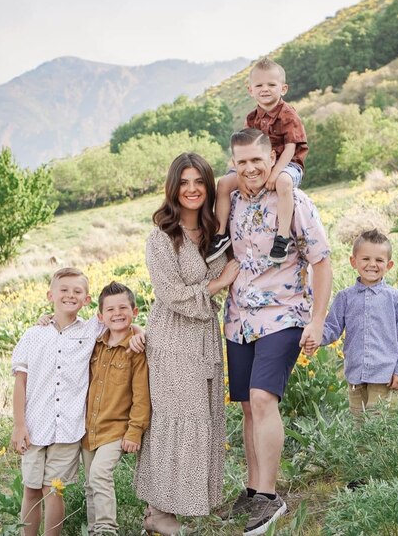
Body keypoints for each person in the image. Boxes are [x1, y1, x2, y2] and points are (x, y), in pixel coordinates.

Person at [223, 128, 331, 536]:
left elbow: (321, 261)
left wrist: (317, 320)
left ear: (271, 159)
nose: (250, 168)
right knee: (249, 407)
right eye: (242, 161)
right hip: (238, 320)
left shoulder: (294, 200)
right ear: (233, 163)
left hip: (285, 315)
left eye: (257, 160)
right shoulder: (230, 203)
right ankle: (252, 489)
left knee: (264, 399)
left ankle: (270, 499)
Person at [133, 152, 240, 535]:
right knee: (174, 420)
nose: (192, 189)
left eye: (199, 182)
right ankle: (159, 512)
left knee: (202, 419)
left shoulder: (216, 231)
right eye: (184, 182)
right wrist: (216, 283)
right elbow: (171, 294)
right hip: (173, 337)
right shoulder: (161, 237)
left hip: (206, 337)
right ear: (173, 187)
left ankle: (176, 507)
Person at [10, 268, 97, 536]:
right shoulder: (33, 334)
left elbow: (122, 319)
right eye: (64, 290)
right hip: (35, 426)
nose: (70, 295)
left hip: (68, 428)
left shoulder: (92, 329)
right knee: (32, 488)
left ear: (87, 299)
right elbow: (20, 383)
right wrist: (19, 425)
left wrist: (138, 330)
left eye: (77, 291)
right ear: (51, 295)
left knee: (53, 490)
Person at [208, 58, 308, 265]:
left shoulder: (288, 114)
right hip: (256, 165)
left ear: (283, 88)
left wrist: (275, 172)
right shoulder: (252, 117)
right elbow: (243, 148)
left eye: (272, 85)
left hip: (287, 164)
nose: (265, 89)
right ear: (250, 90)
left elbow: (291, 147)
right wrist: (240, 179)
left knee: (283, 183)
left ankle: (281, 238)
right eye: (259, 85)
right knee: (225, 183)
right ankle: (220, 234)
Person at [318, 229, 398, 419]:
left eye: (379, 260)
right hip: (355, 373)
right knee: (359, 422)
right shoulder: (344, 297)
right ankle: (362, 450)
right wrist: (312, 336)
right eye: (365, 259)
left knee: (377, 420)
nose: (372, 264)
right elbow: (332, 329)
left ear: (389, 265)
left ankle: (381, 449)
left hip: (383, 374)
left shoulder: (394, 297)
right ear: (353, 262)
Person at [81, 281, 151, 536]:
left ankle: (106, 529)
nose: (117, 313)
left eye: (123, 307)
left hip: (116, 429)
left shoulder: (137, 349)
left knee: (99, 475)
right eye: (110, 310)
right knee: (90, 483)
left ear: (134, 312)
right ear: (100, 316)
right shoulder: (94, 345)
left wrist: (134, 431)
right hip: (89, 428)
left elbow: (142, 395)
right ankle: (94, 530)